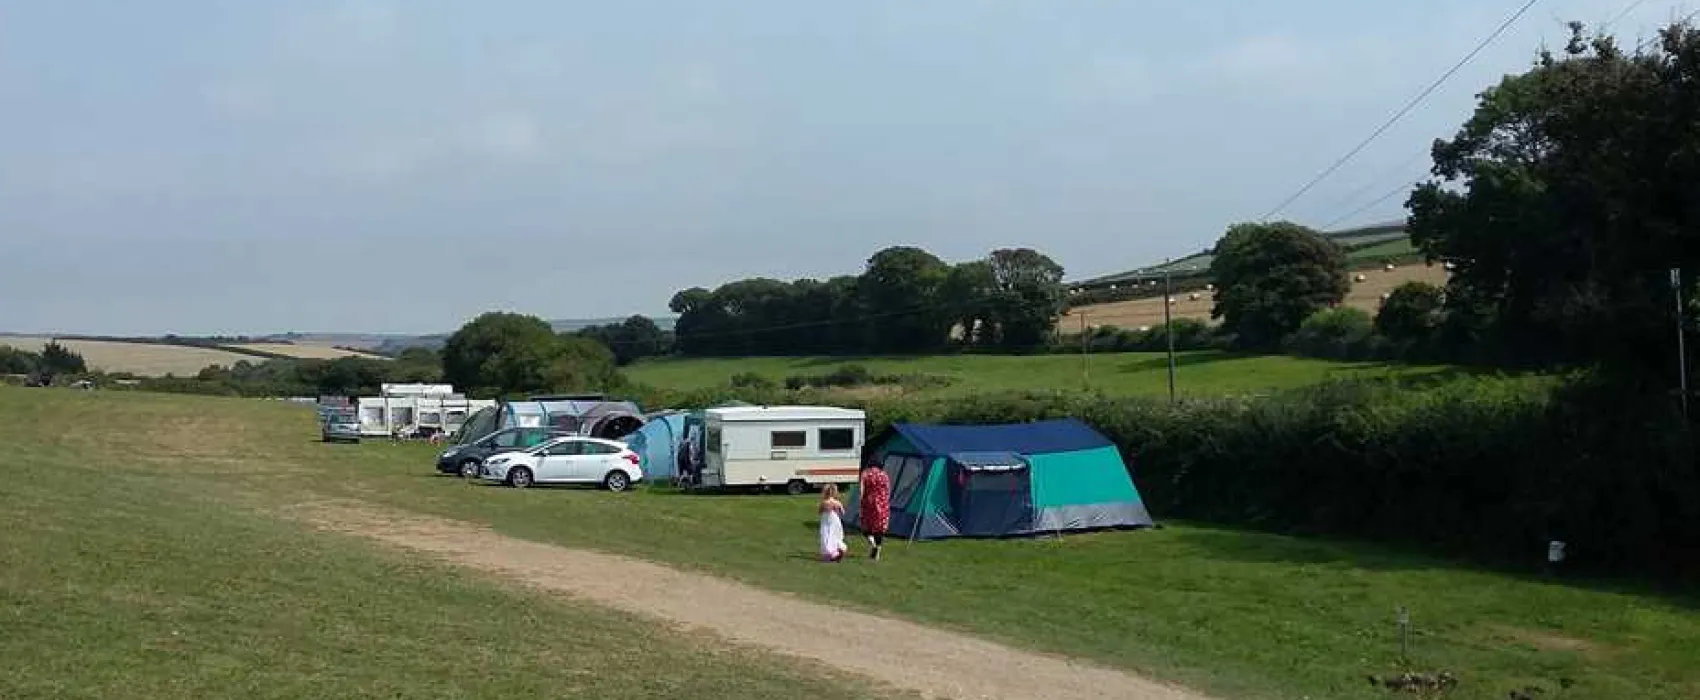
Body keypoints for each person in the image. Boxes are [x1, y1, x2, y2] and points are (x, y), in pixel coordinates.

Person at [859, 460, 891, 561]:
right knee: (879, 529)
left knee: (866, 527)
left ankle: (872, 544)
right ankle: (877, 552)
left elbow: (861, 490)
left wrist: (861, 500)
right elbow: (888, 490)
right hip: (882, 504)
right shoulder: (884, 475)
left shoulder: (865, 474)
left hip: (869, 503)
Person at [818, 484, 848, 562]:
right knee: (835, 535)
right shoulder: (837, 502)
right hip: (835, 520)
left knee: (826, 536)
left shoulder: (824, 502)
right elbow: (843, 512)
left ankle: (831, 553)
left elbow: (820, 511)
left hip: (826, 520)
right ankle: (840, 548)